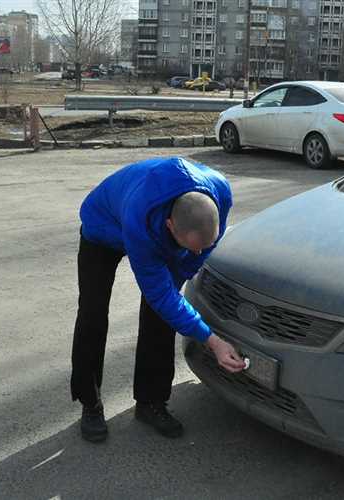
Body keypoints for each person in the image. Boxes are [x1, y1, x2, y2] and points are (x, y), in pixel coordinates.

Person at [70, 156, 246, 443]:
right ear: (170, 226)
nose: (199, 252)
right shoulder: (140, 220)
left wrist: (186, 266)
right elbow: (161, 294)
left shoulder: (220, 192)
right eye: (191, 247)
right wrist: (211, 339)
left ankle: (151, 402)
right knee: (93, 312)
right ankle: (90, 403)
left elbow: (197, 255)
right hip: (103, 228)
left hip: (158, 224)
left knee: (162, 315)